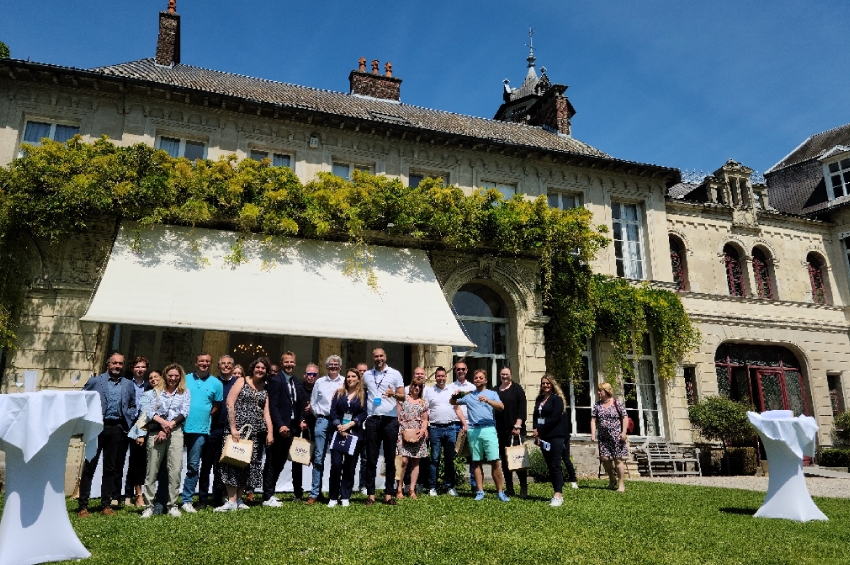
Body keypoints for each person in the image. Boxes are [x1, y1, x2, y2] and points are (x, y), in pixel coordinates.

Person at [77, 353, 137, 517]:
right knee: (90, 466)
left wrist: (129, 419)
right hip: (97, 427)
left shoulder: (128, 384)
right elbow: (82, 399)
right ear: (108, 364)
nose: (117, 366)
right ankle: (83, 506)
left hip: (116, 428)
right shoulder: (96, 381)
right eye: (114, 363)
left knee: (111, 468)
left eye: (120, 364)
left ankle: (106, 504)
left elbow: (133, 405)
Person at [216, 357, 274, 512]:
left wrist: (270, 433)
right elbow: (230, 403)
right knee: (232, 462)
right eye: (258, 367)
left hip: (255, 433)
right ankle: (231, 500)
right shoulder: (242, 381)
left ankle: (239, 499)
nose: (260, 370)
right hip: (237, 431)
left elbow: (266, 412)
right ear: (253, 368)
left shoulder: (265, 387)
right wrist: (233, 428)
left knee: (248, 465)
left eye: (263, 368)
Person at [140, 364, 192, 518]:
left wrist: (170, 426)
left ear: (180, 377)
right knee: (152, 469)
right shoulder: (156, 391)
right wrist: (164, 425)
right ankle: (148, 505)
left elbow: (184, 412)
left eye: (176, 376)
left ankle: (172, 505)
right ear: (165, 375)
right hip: (156, 431)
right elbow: (150, 413)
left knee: (175, 470)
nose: (173, 378)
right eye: (170, 375)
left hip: (175, 431)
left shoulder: (185, 392)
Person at [451, 368, 509, 502]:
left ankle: (500, 492)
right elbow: (453, 403)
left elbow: (501, 407)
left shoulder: (492, 393)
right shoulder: (469, 395)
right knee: (476, 462)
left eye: (480, 377)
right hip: (474, 431)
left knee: (495, 461)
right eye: (476, 378)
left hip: (489, 429)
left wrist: (488, 401)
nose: (478, 380)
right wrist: (456, 395)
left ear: (485, 380)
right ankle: (480, 491)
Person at [362, 348, 405, 506]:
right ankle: (371, 495)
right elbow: (359, 392)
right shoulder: (367, 375)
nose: (379, 358)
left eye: (381, 356)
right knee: (371, 459)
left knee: (390, 459)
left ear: (385, 357)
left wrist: (393, 394)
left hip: (390, 420)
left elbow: (403, 396)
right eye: (376, 356)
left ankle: (388, 494)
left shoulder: (395, 373)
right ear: (373, 358)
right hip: (373, 420)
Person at [181, 353, 223, 513]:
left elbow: (217, 405)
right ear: (195, 362)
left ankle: (186, 500)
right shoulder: (185, 379)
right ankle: (166, 499)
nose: (204, 364)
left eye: (207, 361)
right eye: (201, 361)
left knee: (193, 466)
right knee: (172, 465)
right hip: (179, 427)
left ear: (211, 364)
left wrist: (203, 414)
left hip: (200, 430)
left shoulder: (216, 383)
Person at [263, 351, 305, 507]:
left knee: (281, 463)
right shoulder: (276, 381)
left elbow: (299, 405)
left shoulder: (295, 381)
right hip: (280, 428)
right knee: (273, 462)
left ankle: (270, 493)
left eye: (291, 362)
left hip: (293, 428)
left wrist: (301, 420)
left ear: (295, 363)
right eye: (286, 362)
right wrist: (280, 425)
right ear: (282, 363)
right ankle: (267, 496)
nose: (289, 365)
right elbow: (272, 407)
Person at [306, 355, 344, 505]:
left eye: (336, 365)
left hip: (338, 423)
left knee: (337, 459)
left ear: (340, 367)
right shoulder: (320, 382)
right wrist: (319, 415)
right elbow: (314, 402)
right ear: (327, 366)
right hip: (322, 420)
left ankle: (335, 492)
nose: (333, 367)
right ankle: (315, 493)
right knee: (318, 457)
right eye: (331, 364)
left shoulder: (344, 382)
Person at [327, 368, 367, 507]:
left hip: (354, 434)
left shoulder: (363, 395)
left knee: (350, 466)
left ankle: (345, 496)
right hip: (337, 433)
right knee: (336, 465)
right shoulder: (339, 393)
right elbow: (333, 412)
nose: (350, 379)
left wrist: (351, 424)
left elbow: (364, 413)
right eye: (348, 376)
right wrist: (339, 425)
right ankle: (333, 496)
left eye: (353, 376)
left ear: (358, 379)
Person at [424, 366, 465, 497]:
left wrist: (464, 423)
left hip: (451, 428)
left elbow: (457, 408)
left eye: (443, 376)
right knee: (434, 459)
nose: (441, 378)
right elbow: (425, 411)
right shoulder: (429, 392)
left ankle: (449, 487)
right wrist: (425, 427)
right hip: (435, 428)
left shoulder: (452, 390)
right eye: (438, 376)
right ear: (435, 377)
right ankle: (432, 487)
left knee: (449, 459)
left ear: (446, 376)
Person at [532, 374, 571, 506]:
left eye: (548, 383)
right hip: (544, 437)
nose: (545, 385)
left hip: (556, 436)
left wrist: (540, 429)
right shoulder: (539, 399)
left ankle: (558, 495)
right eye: (543, 383)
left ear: (552, 384)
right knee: (550, 465)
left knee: (555, 464)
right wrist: (536, 431)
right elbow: (536, 417)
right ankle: (556, 491)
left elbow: (554, 418)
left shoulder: (557, 399)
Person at [204, 355, 238, 507]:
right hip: (212, 428)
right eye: (222, 364)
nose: (225, 366)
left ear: (233, 366)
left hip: (230, 431)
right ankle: (203, 499)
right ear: (218, 366)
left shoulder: (238, 383)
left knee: (224, 466)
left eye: (228, 364)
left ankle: (220, 498)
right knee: (207, 464)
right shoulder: (212, 382)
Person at [123, 356, 153, 507]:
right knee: (127, 461)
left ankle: (137, 494)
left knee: (138, 461)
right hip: (127, 423)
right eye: (137, 367)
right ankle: (126, 494)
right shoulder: (126, 383)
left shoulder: (150, 385)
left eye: (143, 367)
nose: (140, 369)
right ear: (132, 369)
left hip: (142, 426)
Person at [127, 370, 159, 507]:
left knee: (152, 467)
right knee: (138, 466)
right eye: (150, 378)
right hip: (142, 434)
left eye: (156, 376)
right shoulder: (147, 394)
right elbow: (144, 415)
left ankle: (151, 495)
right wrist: (141, 434)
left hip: (157, 434)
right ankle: (139, 496)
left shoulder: (168, 394)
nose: (153, 379)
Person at [495, 367, 528, 499]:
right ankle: (509, 488)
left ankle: (523, 488)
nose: (504, 376)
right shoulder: (495, 389)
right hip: (500, 430)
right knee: (505, 461)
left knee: (518, 460)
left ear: (511, 375)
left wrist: (518, 425)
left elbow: (522, 407)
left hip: (515, 430)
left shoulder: (517, 389)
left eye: (507, 374)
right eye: (502, 374)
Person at [591, 382, 629, 493]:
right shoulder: (597, 405)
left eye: (600, 390)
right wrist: (593, 434)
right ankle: (612, 478)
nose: (598, 392)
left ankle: (621, 484)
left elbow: (624, 417)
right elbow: (593, 420)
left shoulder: (617, 403)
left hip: (616, 436)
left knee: (618, 459)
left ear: (606, 391)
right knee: (605, 458)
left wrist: (624, 432)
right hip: (603, 437)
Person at [396, 380, 428, 500]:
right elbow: (397, 415)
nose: (417, 388)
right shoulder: (403, 399)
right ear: (411, 386)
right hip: (403, 432)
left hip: (418, 434)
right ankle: (399, 488)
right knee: (403, 461)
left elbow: (425, 419)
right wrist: (401, 428)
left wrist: (423, 429)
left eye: (419, 386)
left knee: (415, 462)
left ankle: (412, 489)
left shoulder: (423, 402)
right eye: (415, 385)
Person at [291, 363, 318, 502]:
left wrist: (312, 410)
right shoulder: (298, 388)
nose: (311, 377)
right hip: (299, 427)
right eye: (309, 374)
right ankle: (297, 493)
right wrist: (301, 419)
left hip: (315, 427)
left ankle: (316, 492)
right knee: (297, 459)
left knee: (316, 460)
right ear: (304, 375)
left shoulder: (319, 389)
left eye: (314, 374)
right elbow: (294, 406)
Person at [449, 361, 477, 489]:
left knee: (472, 454)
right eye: (458, 369)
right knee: (453, 454)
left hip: (471, 423)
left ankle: (474, 484)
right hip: (455, 423)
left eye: (462, 369)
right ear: (455, 371)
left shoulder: (472, 388)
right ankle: (452, 484)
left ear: (466, 371)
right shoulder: (450, 387)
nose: (460, 371)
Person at [354, 361, 369, 495]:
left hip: (367, 429)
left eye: (365, 371)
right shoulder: (351, 389)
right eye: (360, 371)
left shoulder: (371, 389)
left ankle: (363, 485)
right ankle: (347, 484)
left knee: (365, 459)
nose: (363, 373)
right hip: (353, 428)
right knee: (350, 458)